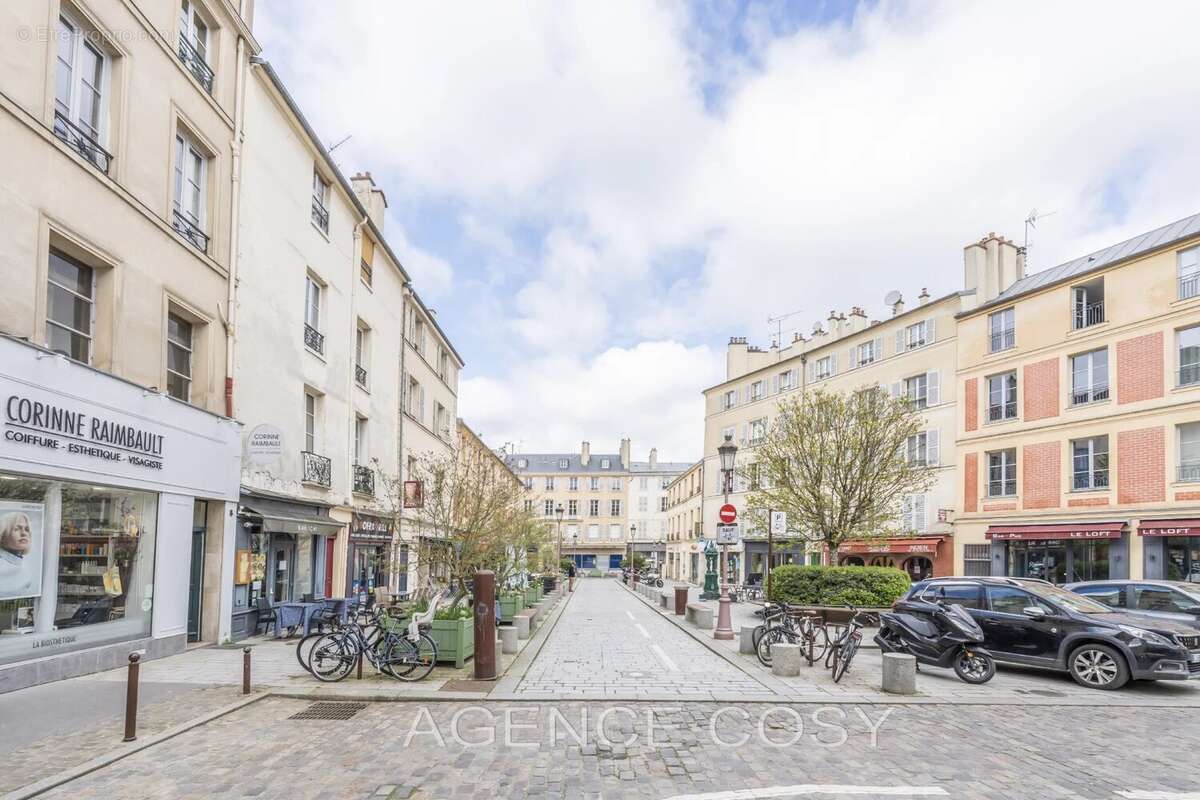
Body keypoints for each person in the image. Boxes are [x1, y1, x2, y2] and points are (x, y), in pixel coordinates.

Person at [0, 511, 35, 597]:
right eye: (17, 529)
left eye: (27, 529)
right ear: (3, 536)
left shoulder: (25, 569)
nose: (24, 533)